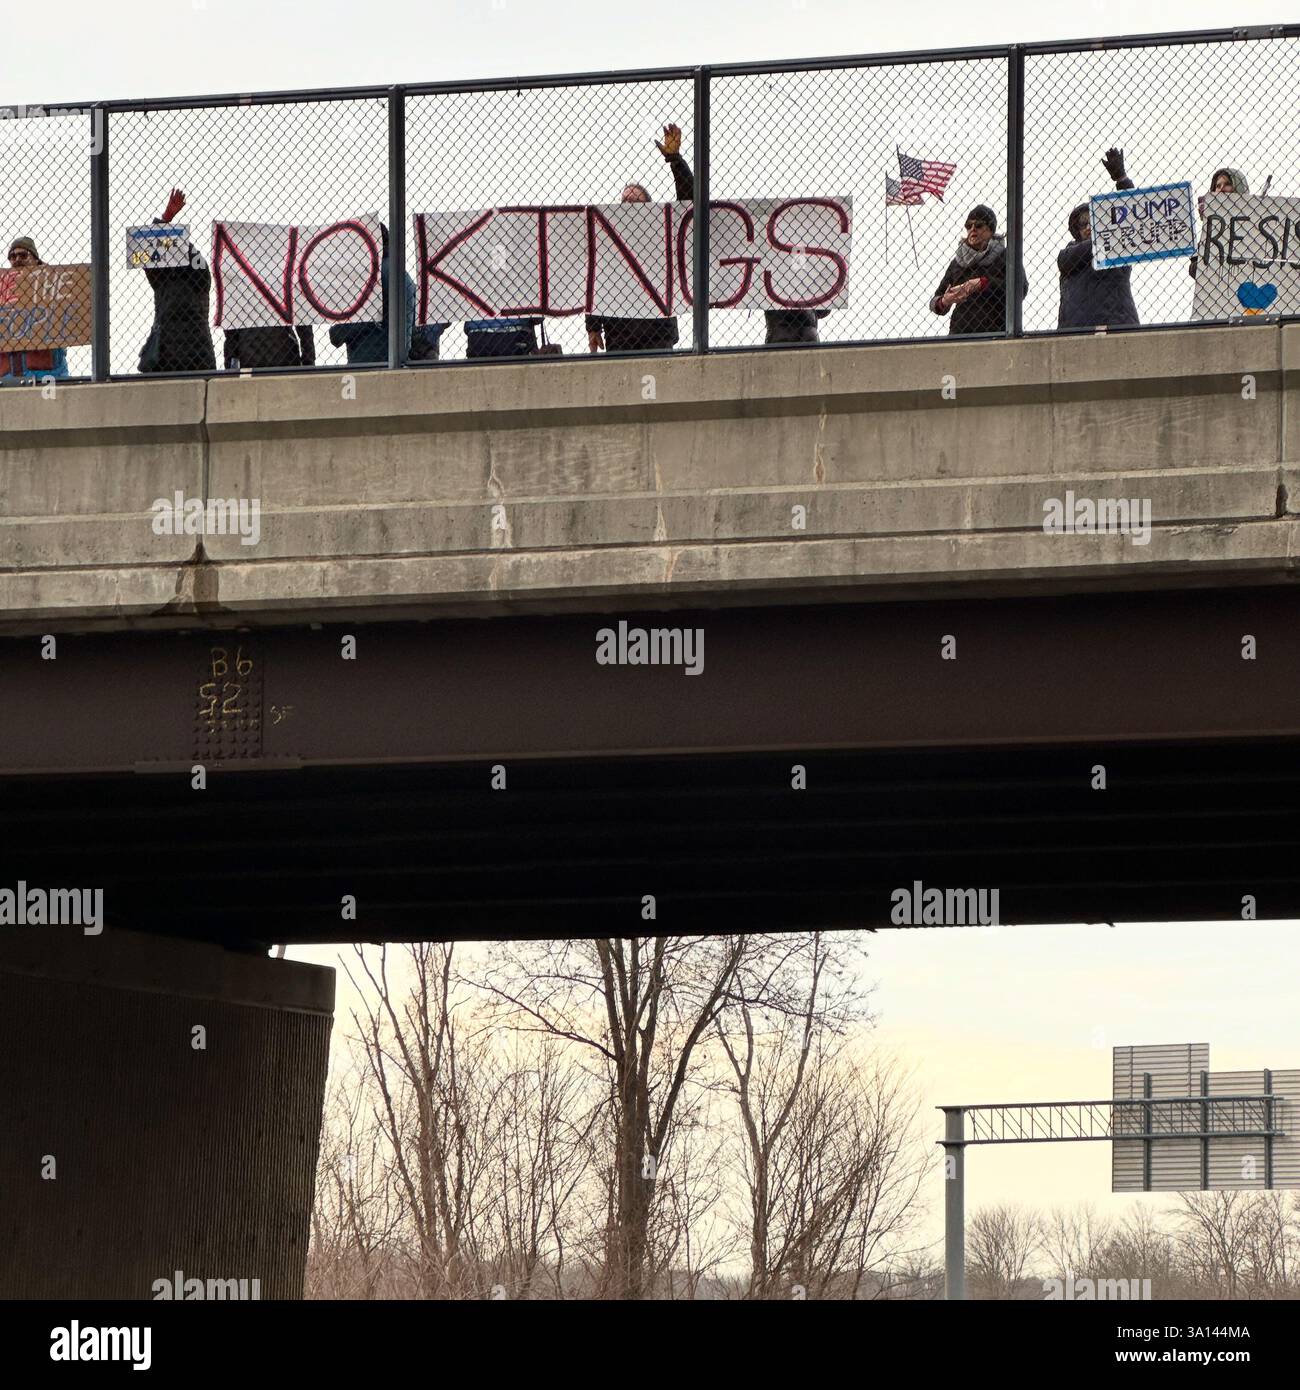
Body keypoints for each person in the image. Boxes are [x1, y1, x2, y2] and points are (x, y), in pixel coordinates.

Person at [586, 123, 693, 354]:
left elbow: (689, 202)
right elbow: (595, 276)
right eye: (625, 203)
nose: (629, 207)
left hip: (658, 333)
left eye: (636, 203)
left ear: (649, 207)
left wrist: (675, 160)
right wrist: (593, 326)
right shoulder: (610, 240)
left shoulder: (662, 232)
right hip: (619, 334)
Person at [329, 223, 446, 363]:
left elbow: (362, 319)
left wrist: (337, 332)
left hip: (369, 359)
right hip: (396, 358)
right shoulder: (402, 275)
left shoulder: (374, 276)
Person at [1057, 148, 1140, 330]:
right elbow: (1066, 260)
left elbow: (1133, 215)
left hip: (1116, 326)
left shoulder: (1119, 245)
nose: (1088, 227)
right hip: (1076, 330)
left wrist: (1122, 180)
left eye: (1093, 222)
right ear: (1076, 231)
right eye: (1083, 224)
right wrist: (1104, 239)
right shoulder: (1068, 254)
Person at [138, 188, 216, 373]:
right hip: (174, 352)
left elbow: (150, 253)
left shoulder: (197, 277)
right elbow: (147, 252)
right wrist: (166, 218)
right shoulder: (163, 280)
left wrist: (167, 223)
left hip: (182, 352)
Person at [930, 205, 1026, 335]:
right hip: (959, 334)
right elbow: (936, 302)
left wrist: (983, 283)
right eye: (969, 226)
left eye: (979, 225)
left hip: (995, 334)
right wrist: (945, 300)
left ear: (990, 230)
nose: (972, 229)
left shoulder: (1006, 256)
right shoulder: (957, 262)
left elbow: (1021, 289)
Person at [0, 237, 69, 381]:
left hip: (47, 374)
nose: (17, 259)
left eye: (23, 255)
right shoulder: (4, 288)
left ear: (36, 259)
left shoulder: (52, 285)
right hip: (8, 375)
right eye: (12, 256)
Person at [1189, 168, 1250, 279]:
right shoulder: (1211, 227)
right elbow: (1193, 269)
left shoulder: (1252, 220)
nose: (1221, 189)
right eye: (1218, 186)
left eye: (1227, 184)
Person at [224, 324, 315, 371]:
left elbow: (230, 334)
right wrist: (309, 361)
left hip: (249, 353)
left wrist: (230, 365)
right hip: (284, 353)